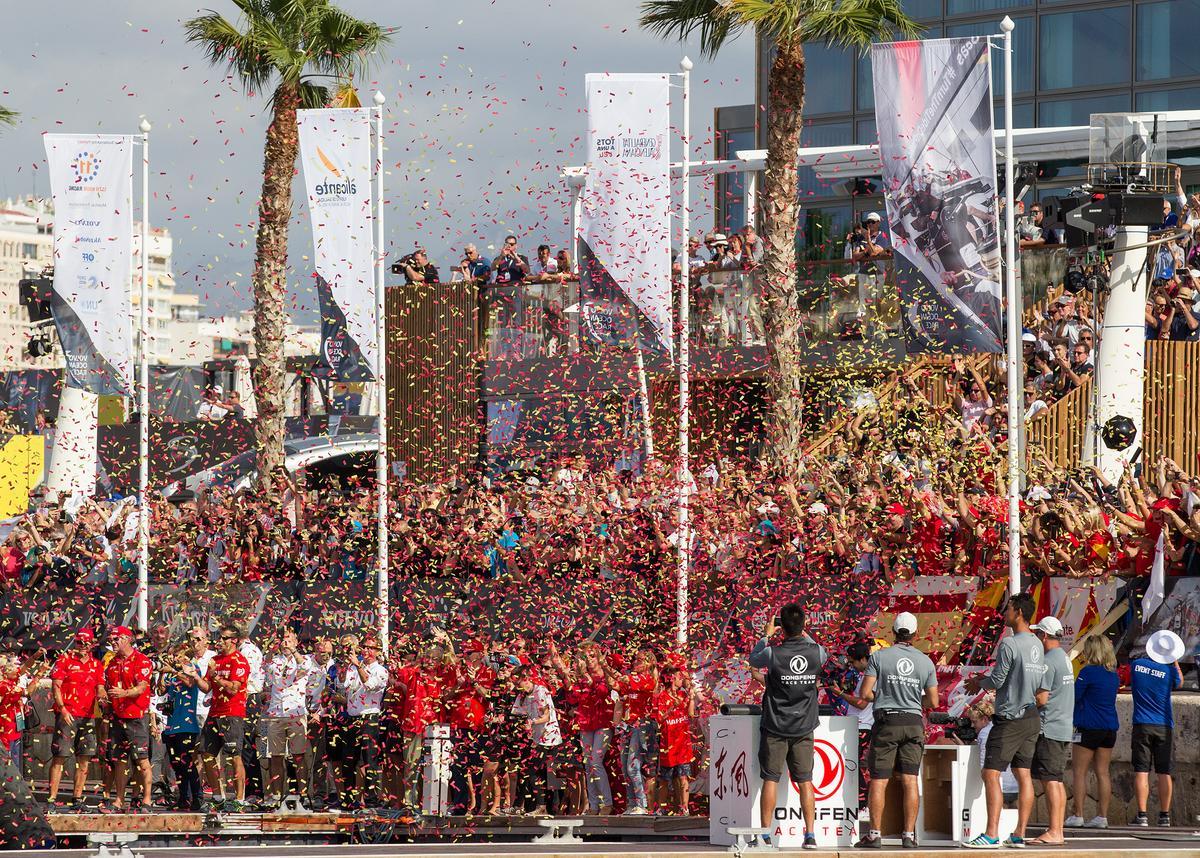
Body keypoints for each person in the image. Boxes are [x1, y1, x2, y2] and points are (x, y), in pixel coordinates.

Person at [963, 593, 1049, 849]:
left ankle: (991, 834)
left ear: (1019, 612)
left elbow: (998, 680)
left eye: (1008, 609)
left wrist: (978, 682)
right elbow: (1041, 689)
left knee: (990, 773)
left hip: (1010, 717)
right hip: (1032, 716)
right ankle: (1018, 834)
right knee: (1023, 775)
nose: (1004, 613)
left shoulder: (1009, 644)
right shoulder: (1036, 643)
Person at [854, 612, 938, 850]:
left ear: (893, 632)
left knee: (879, 780)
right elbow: (932, 701)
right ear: (914, 634)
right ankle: (909, 835)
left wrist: (886, 697)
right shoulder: (925, 661)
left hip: (887, 722)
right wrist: (911, 700)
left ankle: (874, 834)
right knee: (910, 779)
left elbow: (865, 694)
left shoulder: (879, 657)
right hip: (913, 722)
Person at [748, 603, 825, 850]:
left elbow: (753, 659)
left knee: (770, 779)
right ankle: (810, 835)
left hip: (776, 726)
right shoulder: (817, 652)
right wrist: (802, 631)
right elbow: (816, 647)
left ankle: (765, 835)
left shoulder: (772, 653)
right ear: (803, 625)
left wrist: (767, 635)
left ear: (781, 628)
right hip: (804, 727)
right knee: (806, 781)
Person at [1129, 629, 1184, 827]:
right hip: (1163, 725)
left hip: (1142, 723)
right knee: (1164, 772)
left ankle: (1142, 815)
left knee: (1141, 771)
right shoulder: (1170, 672)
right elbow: (1180, 682)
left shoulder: (1137, 666)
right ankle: (1164, 816)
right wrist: (1174, 659)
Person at [1028, 616, 1075, 847]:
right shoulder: (1064, 658)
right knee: (1055, 779)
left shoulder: (1048, 661)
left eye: (1038, 634)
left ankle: (1055, 831)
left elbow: (1041, 698)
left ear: (1044, 636)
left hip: (1050, 727)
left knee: (1051, 781)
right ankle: (1056, 829)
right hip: (1063, 726)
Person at [194, 624, 251, 812]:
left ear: (234, 640)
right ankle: (218, 797)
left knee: (234, 756)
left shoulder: (239, 661)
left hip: (232, 714)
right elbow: (206, 687)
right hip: (214, 713)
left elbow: (233, 688)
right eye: (219, 637)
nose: (220, 641)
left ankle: (239, 800)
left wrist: (215, 677)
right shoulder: (214, 659)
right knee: (207, 754)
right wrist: (194, 675)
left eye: (224, 638)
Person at [47, 629, 105, 811]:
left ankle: (77, 799)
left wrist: (103, 697)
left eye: (86, 643)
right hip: (68, 715)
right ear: (75, 642)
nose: (83, 646)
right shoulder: (64, 660)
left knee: (85, 758)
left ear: (92, 645)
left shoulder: (96, 664)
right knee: (60, 756)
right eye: (80, 642)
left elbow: (100, 687)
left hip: (88, 716)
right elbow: (55, 686)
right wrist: (63, 709)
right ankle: (51, 799)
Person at [1066, 635, 1119, 829]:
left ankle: (1078, 814)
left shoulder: (1087, 672)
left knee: (1079, 772)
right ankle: (1101, 817)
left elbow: (1075, 696)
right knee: (1103, 772)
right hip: (1109, 727)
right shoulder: (1113, 674)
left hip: (1088, 726)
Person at [103, 626, 155, 812]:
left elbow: (142, 688)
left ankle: (147, 800)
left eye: (116, 639)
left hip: (137, 716)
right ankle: (119, 800)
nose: (113, 642)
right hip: (117, 716)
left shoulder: (142, 660)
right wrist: (104, 699)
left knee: (142, 760)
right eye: (111, 639)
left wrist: (123, 693)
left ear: (126, 639)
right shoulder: (112, 663)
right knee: (119, 760)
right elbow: (107, 686)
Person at [263, 630, 314, 809]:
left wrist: (293, 651)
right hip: (276, 713)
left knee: (298, 756)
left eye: (288, 640)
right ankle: (277, 795)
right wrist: (271, 649)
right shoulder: (275, 660)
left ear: (296, 641)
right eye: (283, 640)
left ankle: (303, 794)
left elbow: (303, 669)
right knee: (275, 757)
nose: (285, 643)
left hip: (296, 713)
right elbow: (266, 672)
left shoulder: (305, 658)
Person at [337, 634, 388, 808]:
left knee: (369, 760)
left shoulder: (380, 670)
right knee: (348, 759)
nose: (366, 651)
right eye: (364, 647)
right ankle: (349, 799)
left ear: (377, 651)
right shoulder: (352, 667)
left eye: (370, 648)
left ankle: (372, 799)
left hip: (369, 718)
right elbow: (341, 685)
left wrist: (358, 665)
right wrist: (345, 665)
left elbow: (370, 685)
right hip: (352, 717)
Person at [161, 643, 203, 812]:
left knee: (187, 764)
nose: (174, 658)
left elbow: (191, 683)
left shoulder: (192, 668)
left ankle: (197, 797)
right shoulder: (172, 674)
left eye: (176, 655)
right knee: (177, 765)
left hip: (187, 725)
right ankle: (183, 797)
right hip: (171, 725)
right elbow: (160, 691)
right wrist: (161, 675)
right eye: (172, 655)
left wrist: (173, 670)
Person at [653, 666, 697, 815]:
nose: (681, 680)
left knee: (683, 777)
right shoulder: (662, 696)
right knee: (665, 780)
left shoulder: (682, 694)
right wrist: (672, 707)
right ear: (671, 678)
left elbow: (690, 714)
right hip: (668, 746)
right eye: (679, 677)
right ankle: (661, 808)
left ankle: (684, 808)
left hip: (683, 745)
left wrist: (691, 698)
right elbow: (659, 718)